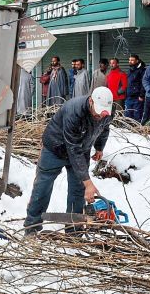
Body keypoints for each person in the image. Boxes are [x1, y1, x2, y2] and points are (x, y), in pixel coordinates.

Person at [23, 87, 115, 233]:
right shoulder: (74, 111)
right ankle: (32, 226)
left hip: (81, 148)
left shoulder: (107, 111)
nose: (100, 117)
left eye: (103, 115)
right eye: (97, 113)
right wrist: (88, 182)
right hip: (55, 148)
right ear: (91, 101)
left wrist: (99, 147)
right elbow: (73, 149)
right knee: (43, 186)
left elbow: (104, 128)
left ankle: (74, 230)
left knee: (78, 190)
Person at [124, 54, 146, 121]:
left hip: (137, 98)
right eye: (129, 60)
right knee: (127, 117)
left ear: (137, 61)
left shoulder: (142, 70)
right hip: (129, 97)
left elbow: (143, 83)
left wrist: (141, 95)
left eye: (132, 60)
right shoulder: (129, 70)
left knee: (137, 117)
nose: (130, 61)